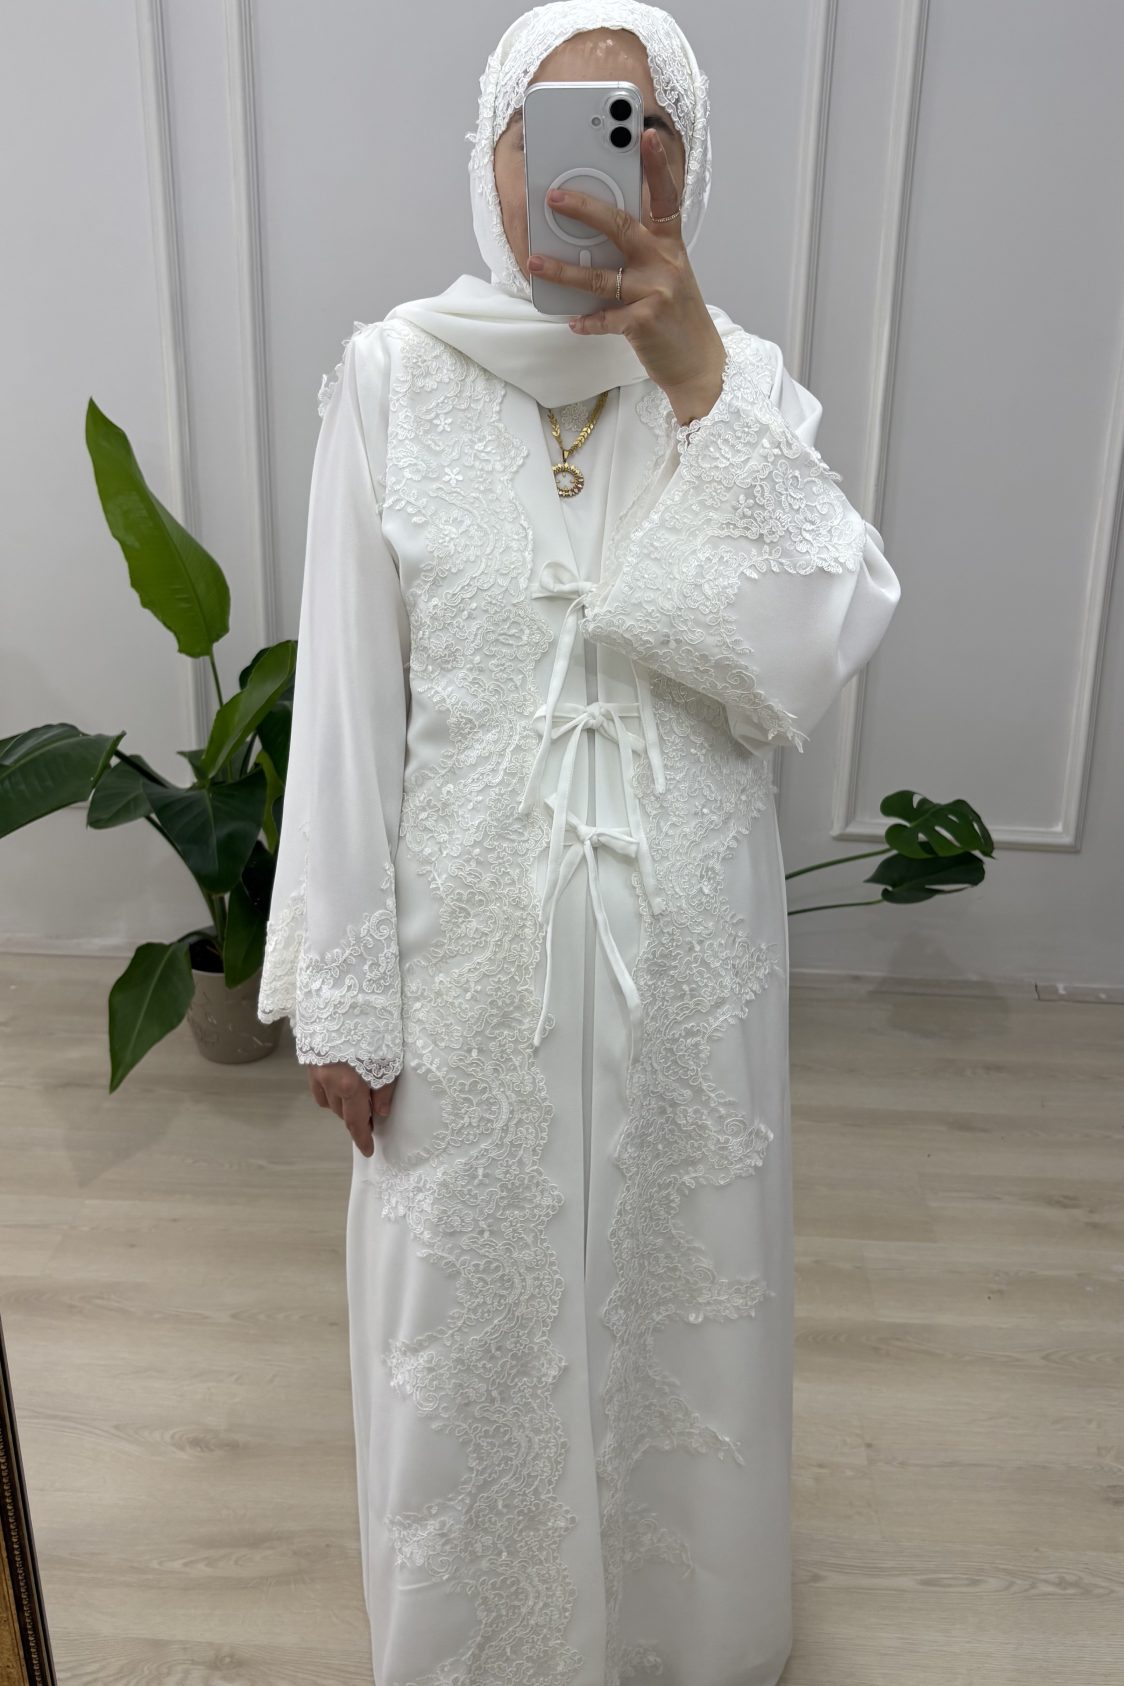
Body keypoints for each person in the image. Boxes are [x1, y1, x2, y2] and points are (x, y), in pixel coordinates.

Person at [256, 3, 901, 1682]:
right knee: (466, 1306)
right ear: (487, 158)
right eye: (542, 128)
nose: (590, 165)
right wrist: (345, 992)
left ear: (685, 162)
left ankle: (689, 1640)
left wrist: (691, 375)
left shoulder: (736, 385)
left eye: (637, 125)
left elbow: (809, 647)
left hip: (688, 954)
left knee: (684, 1282)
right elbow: (348, 701)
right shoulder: (395, 378)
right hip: (467, 951)